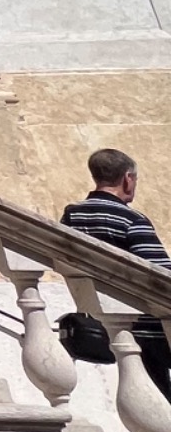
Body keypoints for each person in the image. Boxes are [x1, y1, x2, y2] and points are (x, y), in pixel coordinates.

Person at [62, 148, 171, 401]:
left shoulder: (72, 216)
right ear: (127, 179)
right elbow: (160, 273)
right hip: (150, 326)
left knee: (151, 398)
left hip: (103, 320)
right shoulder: (131, 220)